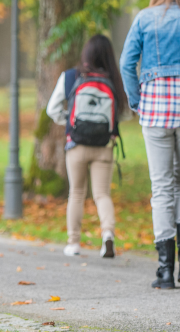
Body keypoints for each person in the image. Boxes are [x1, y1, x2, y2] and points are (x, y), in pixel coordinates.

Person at [119, 0, 180, 290]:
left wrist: (137, 101)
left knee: (161, 186)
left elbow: (127, 63)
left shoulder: (144, 18)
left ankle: (165, 270)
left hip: (155, 109)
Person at [46, 34, 127, 259]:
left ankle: (73, 243)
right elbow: (126, 114)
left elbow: (51, 110)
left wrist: (70, 122)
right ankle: (107, 236)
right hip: (104, 146)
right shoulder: (114, 79)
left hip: (77, 145)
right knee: (102, 194)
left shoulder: (70, 76)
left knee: (77, 193)